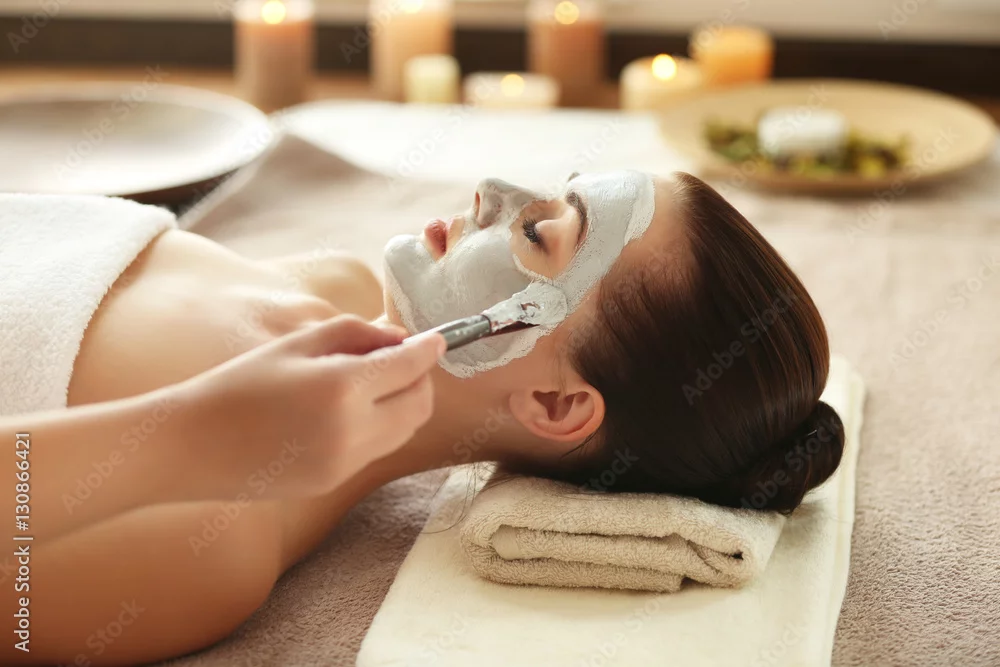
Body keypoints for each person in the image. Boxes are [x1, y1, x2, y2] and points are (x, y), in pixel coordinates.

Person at [1, 171, 844, 665]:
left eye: (540, 232)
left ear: (555, 404)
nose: (493, 189)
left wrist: (190, 436)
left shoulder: (212, 551)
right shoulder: (330, 282)